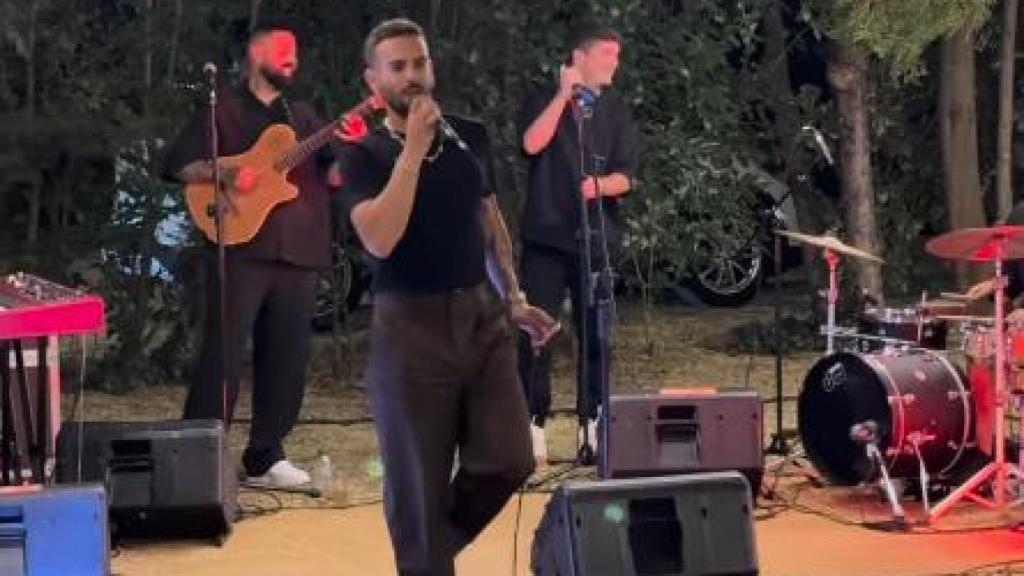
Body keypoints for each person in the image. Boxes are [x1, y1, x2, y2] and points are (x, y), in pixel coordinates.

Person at [337, 18, 558, 576]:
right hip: (409, 331)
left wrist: (514, 295)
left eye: (420, 63)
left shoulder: (468, 137)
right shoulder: (361, 155)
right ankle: (426, 555)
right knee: (419, 487)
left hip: (481, 318)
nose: (412, 75)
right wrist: (411, 150)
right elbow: (379, 238)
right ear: (373, 80)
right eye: (398, 67)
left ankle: (429, 551)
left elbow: (489, 219)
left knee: (510, 458)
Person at [163, 22, 355, 487]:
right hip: (241, 246)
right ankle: (200, 454)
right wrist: (226, 175)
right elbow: (177, 165)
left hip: (298, 250)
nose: (293, 59)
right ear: (255, 53)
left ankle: (266, 456)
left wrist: (350, 146)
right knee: (223, 353)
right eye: (283, 50)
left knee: (287, 357)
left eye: (296, 52)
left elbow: (334, 178)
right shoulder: (222, 109)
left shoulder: (304, 116)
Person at [517, 26, 640, 463]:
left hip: (595, 237)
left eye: (617, 56)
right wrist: (561, 96)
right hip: (546, 237)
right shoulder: (542, 98)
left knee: (595, 333)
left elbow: (629, 175)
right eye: (607, 54)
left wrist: (600, 186)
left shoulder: (616, 111)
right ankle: (532, 422)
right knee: (537, 332)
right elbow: (531, 143)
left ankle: (592, 421)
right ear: (580, 57)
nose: (614, 64)